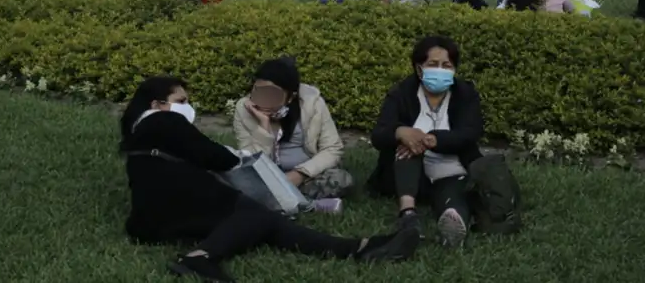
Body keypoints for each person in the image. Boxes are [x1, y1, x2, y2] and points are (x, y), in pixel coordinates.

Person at [120, 76, 420, 282]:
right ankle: (199, 257)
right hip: (176, 209)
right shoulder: (164, 119)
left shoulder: (141, 132)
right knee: (257, 216)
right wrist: (234, 156)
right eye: (181, 99)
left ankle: (357, 247)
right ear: (157, 104)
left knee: (265, 224)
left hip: (153, 220)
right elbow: (215, 157)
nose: (187, 106)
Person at [367, 36, 485, 247]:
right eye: (433, 64)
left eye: (446, 65)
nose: (440, 70)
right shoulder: (401, 93)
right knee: (408, 145)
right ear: (419, 68)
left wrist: (432, 139)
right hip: (408, 172)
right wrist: (400, 131)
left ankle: (454, 222)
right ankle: (408, 213)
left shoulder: (465, 94)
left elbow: (471, 132)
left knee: (452, 194)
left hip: (451, 170)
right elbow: (379, 134)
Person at [232, 58, 352, 211]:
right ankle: (308, 204)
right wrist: (263, 126)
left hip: (306, 176)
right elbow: (251, 161)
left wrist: (299, 174)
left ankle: (281, 200)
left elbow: (332, 149)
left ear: (290, 97)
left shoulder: (312, 103)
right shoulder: (243, 109)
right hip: (267, 178)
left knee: (340, 179)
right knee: (234, 181)